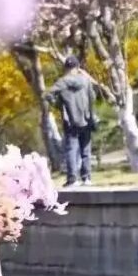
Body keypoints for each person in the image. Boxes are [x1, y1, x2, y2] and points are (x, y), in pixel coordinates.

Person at [44, 55, 97, 187]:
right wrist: (90, 114)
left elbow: (48, 94)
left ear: (66, 68)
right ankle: (86, 178)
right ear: (77, 67)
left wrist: (58, 104)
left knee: (71, 150)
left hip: (70, 120)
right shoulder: (86, 81)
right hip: (86, 119)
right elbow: (93, 97)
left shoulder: (62, 82)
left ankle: (73, 179)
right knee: (85, 149)